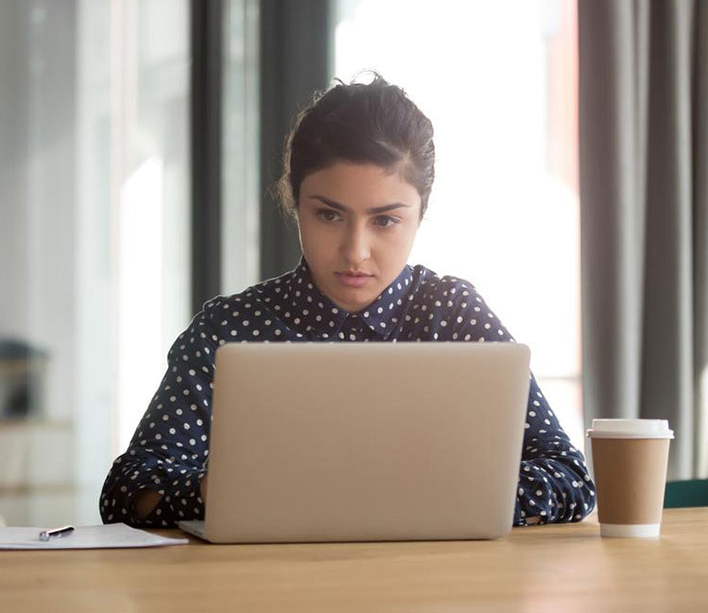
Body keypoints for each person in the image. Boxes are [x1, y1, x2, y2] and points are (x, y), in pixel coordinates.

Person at [100, 75, 595, 528]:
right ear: (295, 202)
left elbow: (570, 477)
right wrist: (221, 491)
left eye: (385, 221)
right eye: (330, 216)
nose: (356, 252)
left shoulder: (451, 314)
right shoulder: (231, 328)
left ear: (421, 214)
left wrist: (440, 497)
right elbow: (126, 492)